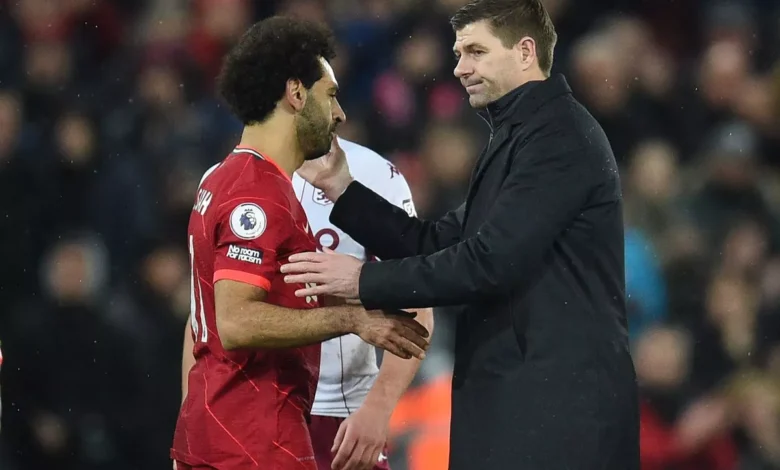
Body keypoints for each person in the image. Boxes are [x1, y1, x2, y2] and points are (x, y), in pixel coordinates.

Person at [281, 1, 640, 469]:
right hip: (528, 406)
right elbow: (438, 243)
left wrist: (362, 281)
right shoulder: (520, 137)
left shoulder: (559, 138)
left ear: (525, 51)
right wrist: (342, 188)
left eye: (476, 52)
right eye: (457, 54)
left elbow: (489, 263)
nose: (459, 68)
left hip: (557, 416)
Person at [170, 17, 430, 470]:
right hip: (258, 427)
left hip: (269, 418)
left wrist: (378, 406)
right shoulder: (256, 191)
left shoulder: (226, 179)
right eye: (330, 95)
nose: (340, 113)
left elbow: (418, 296)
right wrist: (354, 317)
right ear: (296, 93)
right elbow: (229, 321)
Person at [295, 139, 434, 470]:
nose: (338, 115)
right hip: (252, 412)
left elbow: (417, 303)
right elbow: (204, 319)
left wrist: (378, 408)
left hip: (339, 417)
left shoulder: (373, 173)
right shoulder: (225, 178)